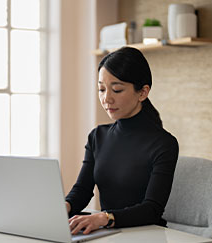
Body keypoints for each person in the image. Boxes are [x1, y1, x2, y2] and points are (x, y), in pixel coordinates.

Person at [65, 47, 179, 235]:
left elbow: (152, 209)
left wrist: (104, 218)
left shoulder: (164, 144)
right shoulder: (97, 136)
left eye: (116, 89)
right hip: (108, 235)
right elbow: (82, 191)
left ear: (143, 93)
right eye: (101, 89)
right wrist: (64, 207)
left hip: (146, 235)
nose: (106, 98)